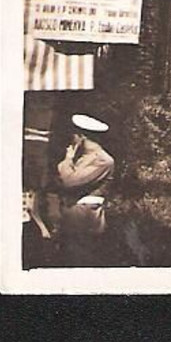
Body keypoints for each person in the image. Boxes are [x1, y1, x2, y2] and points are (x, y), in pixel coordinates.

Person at [55, 113, 116, 266]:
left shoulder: (103, 161)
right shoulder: (83, 157)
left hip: (84, 216)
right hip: (73, 213)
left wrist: (68, 159)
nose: (71, 139)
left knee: (80, 260)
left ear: (81, 137)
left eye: (74, 135)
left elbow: (68, 181)